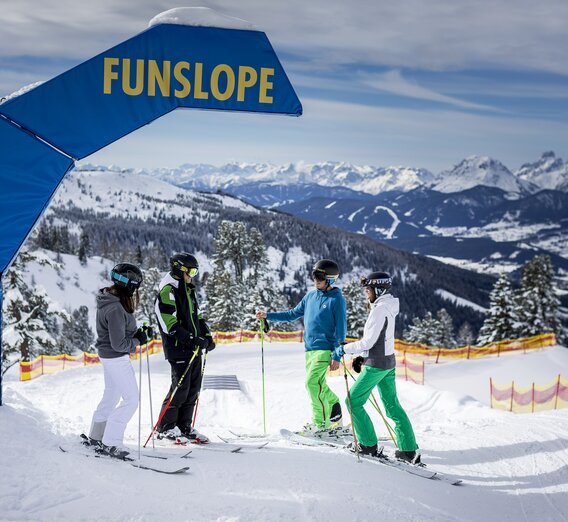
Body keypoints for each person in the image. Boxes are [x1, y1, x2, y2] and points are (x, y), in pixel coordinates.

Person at [256, 259, 346, 433]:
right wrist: (268, 315)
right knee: (318, 384)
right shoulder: (310, 296)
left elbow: (341, 330)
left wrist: (337, 355)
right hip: (309, 350)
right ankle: (334, 404)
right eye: (314, 276)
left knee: (311, 383)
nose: (316, 280)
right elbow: (291, 315)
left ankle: (320, 425)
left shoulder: (337, 300)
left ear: (330, 279)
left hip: (325, 350)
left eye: (319, 277)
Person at [343, 271, 419, 463]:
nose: (366, 293)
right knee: (392, 406)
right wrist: (363, 357)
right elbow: (381, 340)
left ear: (378, 289)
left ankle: (367, 445)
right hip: (387, 363)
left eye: (368, 289)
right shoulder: (387, 306)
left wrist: (343, 350)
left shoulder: (379, 310)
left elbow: (368, 341)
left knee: (352, 401)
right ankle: (408, 450)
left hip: (377, 365)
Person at [88, 262, 148, 459]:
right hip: (116, 358)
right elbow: (119, 344)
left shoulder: (111, 300)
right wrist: (138, 340)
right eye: (136, 285)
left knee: (112, 394)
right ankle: (111, 442)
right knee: (131, 400)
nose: (136, 289)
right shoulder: (115, 307)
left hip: (108, 356)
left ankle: (97, 436)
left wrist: (136, 334)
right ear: (129, 284)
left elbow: (119, 334)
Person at [154, 252, 215, 443]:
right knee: (180, 388)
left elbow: (197, 316)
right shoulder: (168, 291)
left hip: (193, 348)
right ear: (180, 270)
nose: (193, 275)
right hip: (178, 348)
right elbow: (168, 322)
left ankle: (184, 426)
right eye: (192, 271)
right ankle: (165, 428)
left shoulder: (187, 290)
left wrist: (206, 335)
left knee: (193, 389)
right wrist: (189, 339)